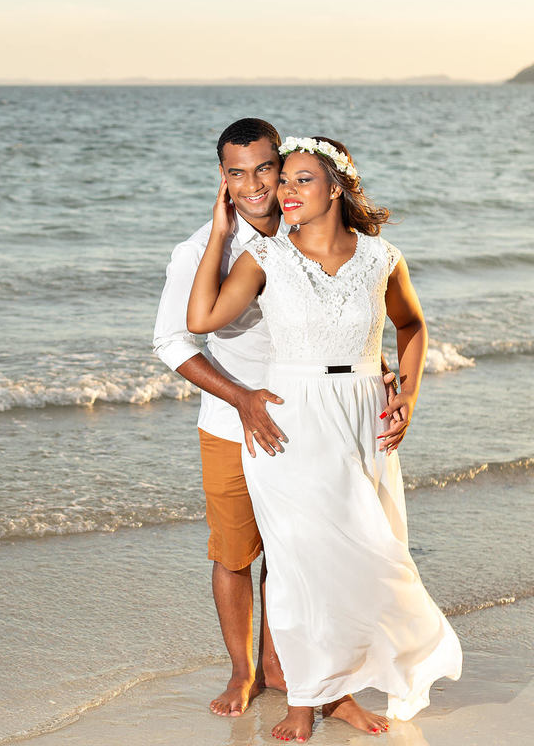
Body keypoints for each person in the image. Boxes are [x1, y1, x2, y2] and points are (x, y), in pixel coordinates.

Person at [186, 136, 462, 742]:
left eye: (300, 180)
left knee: (367, 555)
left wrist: (406, 396)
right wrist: (217, 230)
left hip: (364, 414)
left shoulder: (381, 257)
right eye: (282, 181)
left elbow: (412, 324)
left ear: (336, 188)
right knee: (296, 563)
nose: (284, 191)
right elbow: (200, 320)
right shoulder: (266, 258)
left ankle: (344, 687)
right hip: (291, 418)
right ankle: (306, 700)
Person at [152, 119, 398, 722]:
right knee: (236, 553)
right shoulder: (200, 250)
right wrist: (243, 399)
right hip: (233, 421)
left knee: (300, 552)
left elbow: (349, 312)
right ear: (223, 178)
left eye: (266, 168)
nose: (256, 184)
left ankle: (285, 669)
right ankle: (244, 671)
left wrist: (375, 366)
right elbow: (173, 341)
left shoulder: (307, 230)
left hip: (311, 424)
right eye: (238, 172)